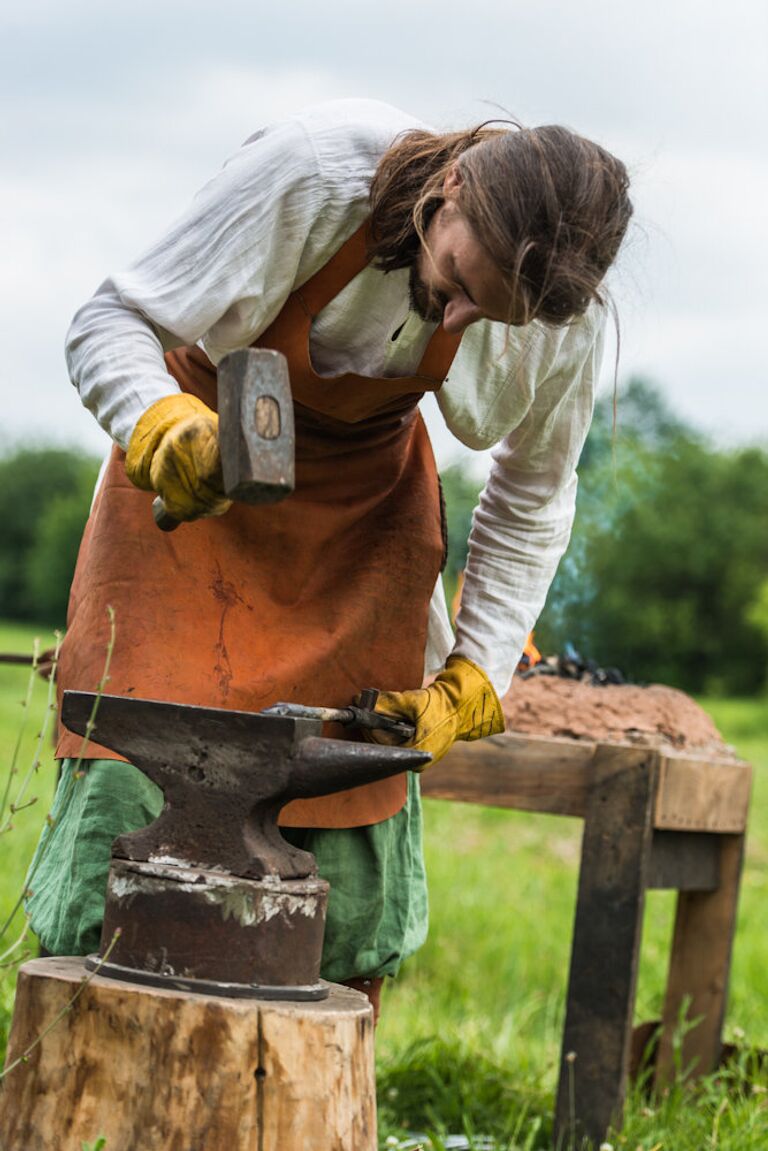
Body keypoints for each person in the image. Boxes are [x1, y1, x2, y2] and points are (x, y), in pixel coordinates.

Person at [27, 98, 632, 1020]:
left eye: (489, 315)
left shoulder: (560, 312)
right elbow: (109, 318)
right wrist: (160, 425)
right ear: (454, 186)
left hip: (364, 532)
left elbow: (535, 491)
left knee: (351, 815)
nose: (461, 315)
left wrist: (476, 668)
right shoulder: (312, 172)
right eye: (464, 279)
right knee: (129, 784)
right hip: (196, 508)